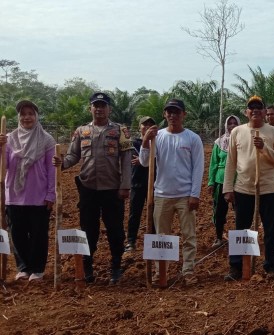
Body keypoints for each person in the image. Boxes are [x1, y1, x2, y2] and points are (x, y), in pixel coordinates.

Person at [58, 92, 131, 284]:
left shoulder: (120, 131)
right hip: (88, 187)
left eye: (103, 106)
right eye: (95, 106)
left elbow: (125, 160)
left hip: (112, 189)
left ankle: (116, 267)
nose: (99, 109)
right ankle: (88, 267)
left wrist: (125, 186)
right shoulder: (81, 131)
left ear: (109, 109)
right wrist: (61, 163)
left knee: (115, 230)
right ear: (90, 108)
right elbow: (73, 155)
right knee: (88, 230)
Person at [140, 98, 205, 284]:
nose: (172, 115)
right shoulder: (157, 137)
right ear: (164, 114)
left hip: (185, 196)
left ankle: (188, 270)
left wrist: (195, 194)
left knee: (189, 236)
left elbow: (198, 168)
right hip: (161, 195)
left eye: (176, 112)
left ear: (184, 115)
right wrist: (145, 142)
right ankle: (161, 272)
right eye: (169, 112)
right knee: (162, 236)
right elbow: (145, 163)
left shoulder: (192, 138)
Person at [222, 96, 274, 280]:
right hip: (243, 188)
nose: (255, 110)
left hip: (268, 188)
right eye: (252, 107)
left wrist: (264, 148)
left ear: (265, 112)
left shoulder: (273, 132)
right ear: (246, 112)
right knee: (241, 229)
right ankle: (237, 266)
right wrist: (228, 188)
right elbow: (231, 162)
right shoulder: (237, 132)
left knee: (270, 229)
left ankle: (272, 266)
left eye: (259, 107)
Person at [0, 100, 56, 281]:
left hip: (39, 196)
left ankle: (37, 268)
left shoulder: (47, 139)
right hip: (14, 196)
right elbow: (5, 166)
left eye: (30, 113)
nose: (27, 117)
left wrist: (51, 193)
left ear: (36, 116)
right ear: (19, 117)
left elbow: (52, 169)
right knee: (17, 233)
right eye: (23, 114)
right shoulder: (9, 139)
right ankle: (23, 267)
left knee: (39, 234)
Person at [207, 115, 240, 249]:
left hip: (238, 180)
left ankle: (240, 239)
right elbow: (213, 163)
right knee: (219, 210)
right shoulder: (219, 142)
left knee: (240, 211)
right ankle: (219, 237)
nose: (232, 126)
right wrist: (211, 182)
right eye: (230, 123)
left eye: (235, 123)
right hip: (220, 180)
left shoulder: (243, 140)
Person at [126, 116, 157, 252]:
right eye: (144, 125)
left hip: (155, 184)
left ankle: (154, 240)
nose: (147, 127)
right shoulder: (133, 143)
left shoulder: (157, 142)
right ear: (139, 127)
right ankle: (131, 241)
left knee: (154, 213)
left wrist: (143, 160)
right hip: (137, 182)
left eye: (150, 125)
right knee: (134, 213)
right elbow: (134, 159)